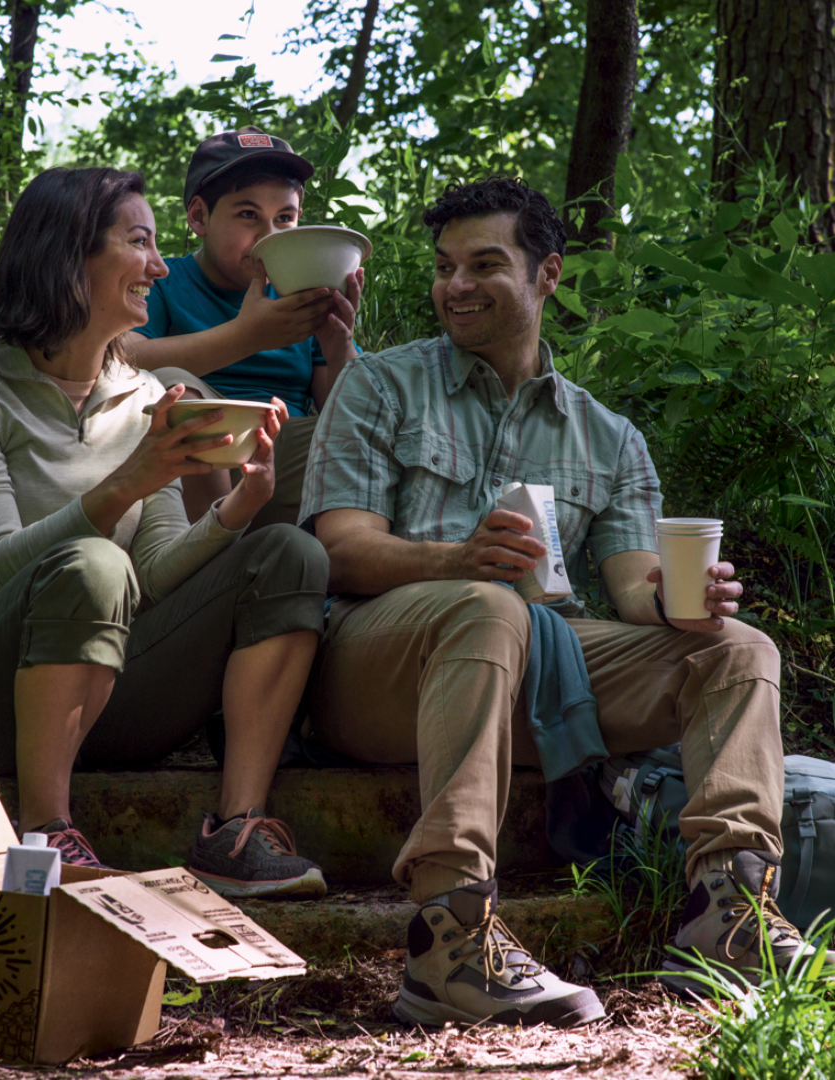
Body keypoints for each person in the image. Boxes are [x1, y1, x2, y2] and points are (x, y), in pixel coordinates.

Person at [299, 176, 827, 1027]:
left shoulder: (606, 435)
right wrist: (457, 558)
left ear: (546, 275)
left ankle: (727, 912)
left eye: (484, 264)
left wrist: (687, 604)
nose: (456, 285)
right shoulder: (382, 387)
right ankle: (450, 936)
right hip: (375, 666)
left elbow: (631, 589)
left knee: (739, 648)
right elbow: (338, 549)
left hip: (533, 671)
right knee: (488, 605)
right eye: (443, 267)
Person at [0, 166, 329, 898]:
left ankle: (236, 828)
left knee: (287, 552)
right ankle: (46, 832)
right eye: (139, 242)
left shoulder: (147, 396)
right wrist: (131, 479)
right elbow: (0, 569)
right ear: (69, 255)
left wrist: (235, 511)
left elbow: (155, 570)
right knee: (94, 562)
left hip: (110, 693)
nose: (160, 267)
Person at [125, 127, 362, 529]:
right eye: (248, 215)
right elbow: (123, 355)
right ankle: (209, 558)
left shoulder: (303, 294)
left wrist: (339, 343)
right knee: (174, 384)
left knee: (368, 426)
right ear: (199, 216)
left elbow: (348, 413)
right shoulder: (164, 279)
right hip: (194, 472)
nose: (268, 236)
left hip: (283, 464)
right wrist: (245, 336)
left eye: (284, 218)